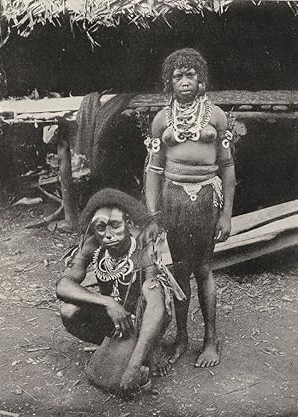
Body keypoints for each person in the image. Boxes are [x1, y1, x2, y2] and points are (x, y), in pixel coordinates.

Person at [140, 48, 236, 368]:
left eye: (190, 75)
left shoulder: (218, 116)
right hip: (172, 199)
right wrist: (152, 215)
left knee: (204, 270)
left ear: (201, 80)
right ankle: (182, 337)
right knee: (178, 272)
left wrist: (226, 214)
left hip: (207, 198)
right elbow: (153, 169)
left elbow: (227, 166)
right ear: (169, 82)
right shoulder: (160, 120)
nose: (184, 81)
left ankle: (210, 339)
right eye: (178, 76)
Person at [56, 188, 182, 392]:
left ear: (129, 223)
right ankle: (116, 346)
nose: (108, 235)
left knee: (122, 383)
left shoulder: (145, 247)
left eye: (115, 226)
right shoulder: (92, 245)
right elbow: (63, 285)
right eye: (101, 228)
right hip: (115, 317)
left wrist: (133, 366)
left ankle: (147, 348)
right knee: (68, 311)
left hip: (144, 321)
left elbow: (157, 305)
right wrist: (108, 302)